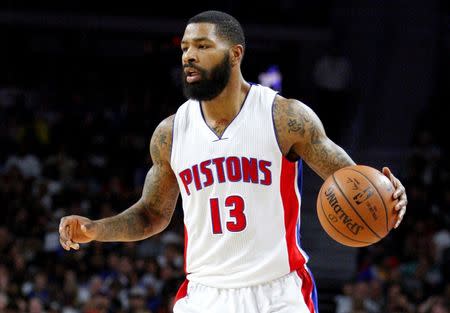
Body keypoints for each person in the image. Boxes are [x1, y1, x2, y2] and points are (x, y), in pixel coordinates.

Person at [59, 10, 408, 313]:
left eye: (202, 46)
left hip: (278, 291)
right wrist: (95, 229)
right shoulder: (170, 134)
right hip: (205, 295)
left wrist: (390, 193)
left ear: (235, 54)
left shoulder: (284, 117)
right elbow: (151, 215)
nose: (188, 56)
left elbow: (353, 180)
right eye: (184, 48)